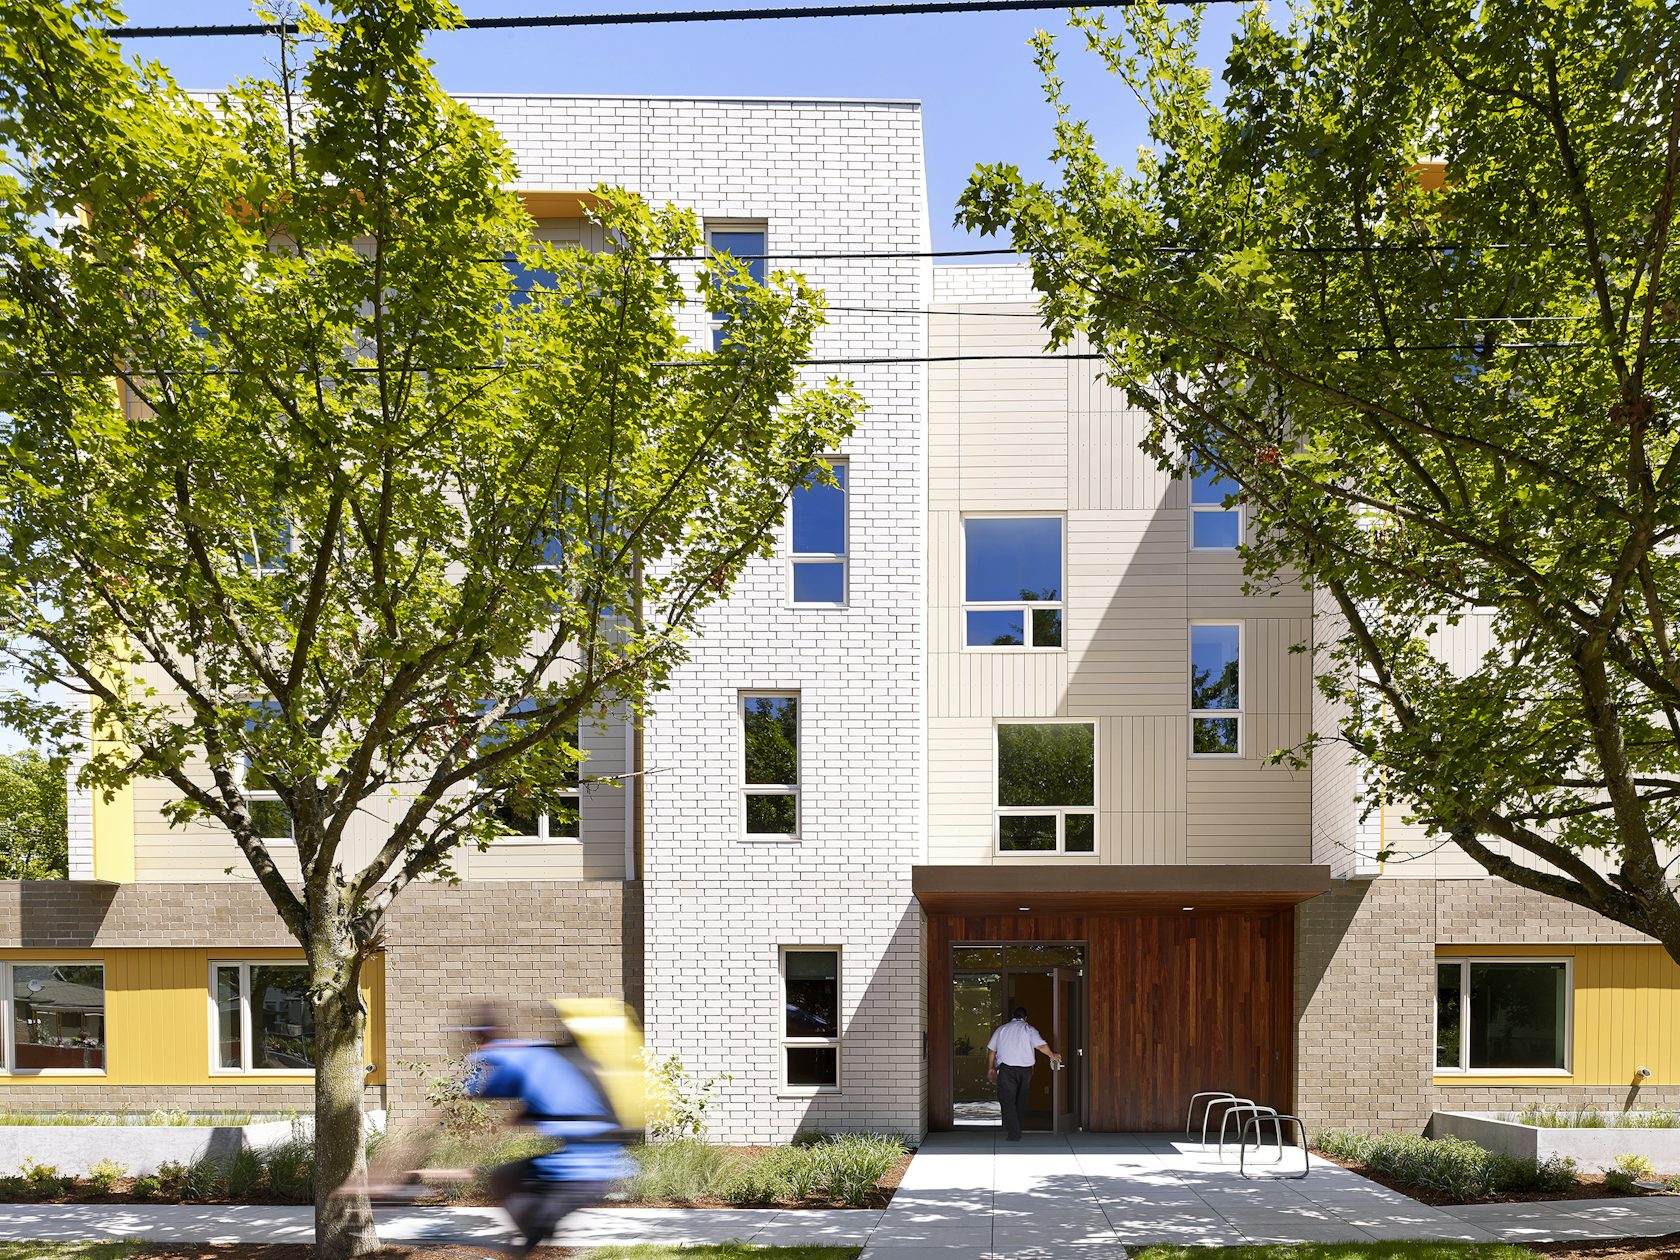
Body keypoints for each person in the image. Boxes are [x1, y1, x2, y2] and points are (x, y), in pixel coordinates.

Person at [463, 1004, 633, 1256]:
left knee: (506, 1183)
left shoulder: (516, 1056)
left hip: (578, 1173)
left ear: (485, 1037)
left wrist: (476, 1067)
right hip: (599, 1167)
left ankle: (539, 1229)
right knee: (518, 1196)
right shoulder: (560, 1062)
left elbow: (479, 1090)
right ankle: (539, 1231)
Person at [985, 1006, 1062, 1141]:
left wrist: (991, 1067)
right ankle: (1016, 1128)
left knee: (1007, 1100)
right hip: (1025, 1070)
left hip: (1007, 1070)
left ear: (1013, 1016)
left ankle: (1014, 1131)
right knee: (1020, 1100)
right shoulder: (1029, 1029)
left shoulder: (1002, 1029)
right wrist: (1052, 1055)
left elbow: (991, 1050)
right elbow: (1041, 1045)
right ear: (1025, 1018)